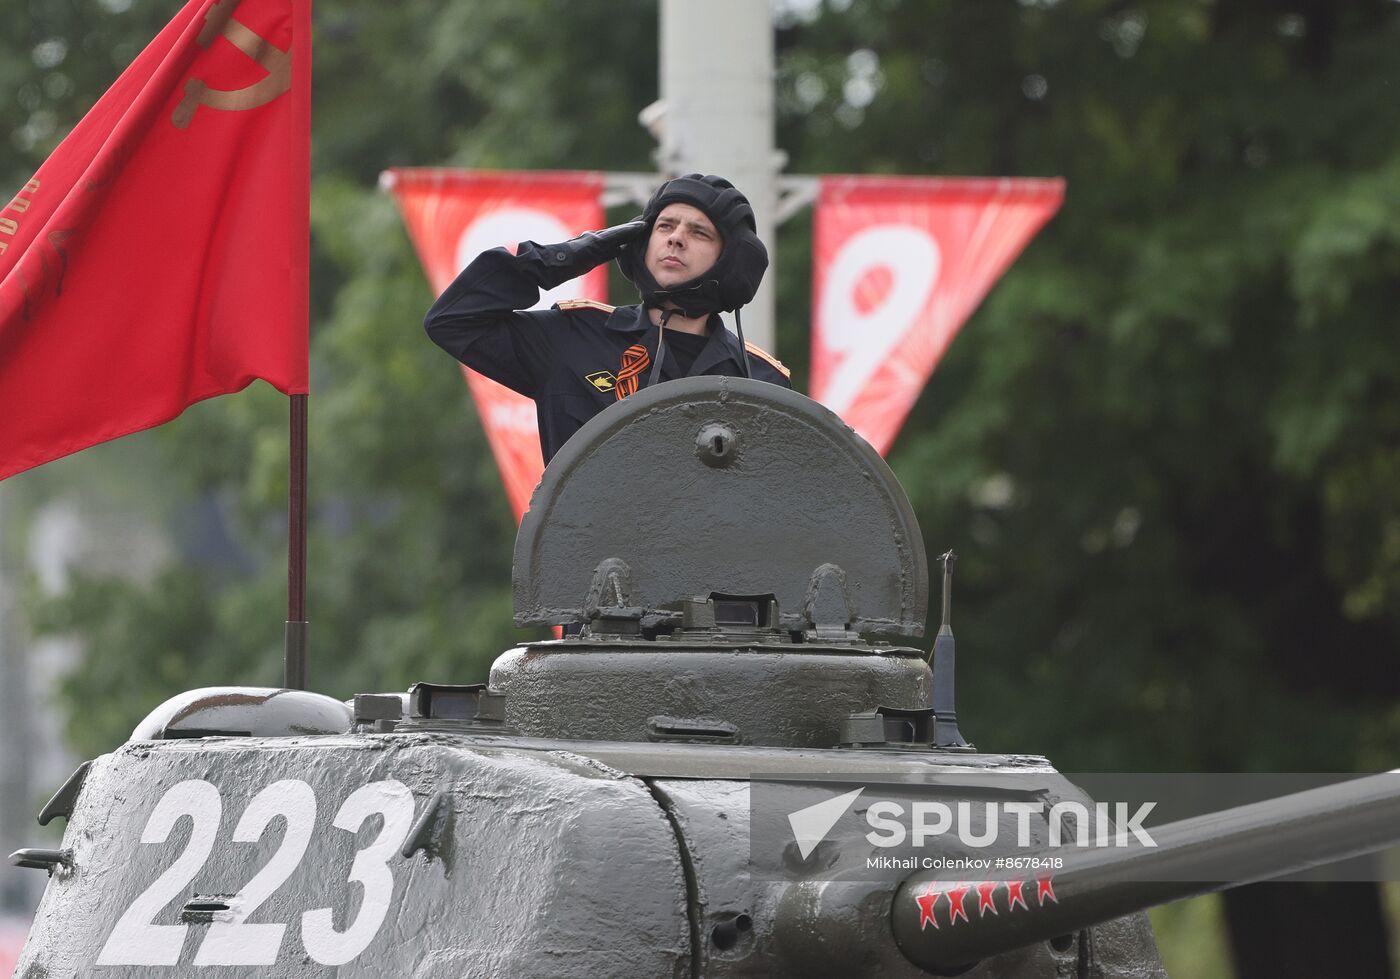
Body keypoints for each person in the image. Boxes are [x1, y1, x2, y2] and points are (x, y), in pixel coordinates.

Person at [424, 173, 792, 463]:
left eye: (699, 233)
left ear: (729, 263)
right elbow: (453, 320)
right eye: (664, 226)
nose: (676, 239)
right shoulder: (572, 338)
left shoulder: (760, 380)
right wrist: (569, 255)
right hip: (589, 556)